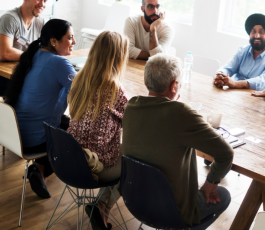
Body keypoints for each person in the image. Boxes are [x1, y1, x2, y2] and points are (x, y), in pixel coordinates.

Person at [122, 54, 234, 229]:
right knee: (223, 195)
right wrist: (210, 184)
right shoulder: (180, 113)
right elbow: (226, 154)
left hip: (134, 201)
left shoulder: (131, 106)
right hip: (171, 210)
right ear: (174, 86)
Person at [3, 19, 76, 198]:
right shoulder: (60, 63)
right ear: (53, 41)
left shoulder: (32, 55)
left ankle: (39, 170)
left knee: (65, 123)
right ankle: (39, 168)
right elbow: (82, 92)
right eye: (70, 37)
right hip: (35, 141)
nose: (73, 42)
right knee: (78, 133)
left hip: (14, 133)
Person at [67, 31, 129, 230]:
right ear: (118, 58)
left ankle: (100, 208)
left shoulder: (79, 80)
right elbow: (133, 123)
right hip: (95, 167)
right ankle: (102, 206)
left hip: (70, 158)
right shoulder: (114, 89)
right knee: (137, 160)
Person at [213, 13, 265, 91]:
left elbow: (264, 81)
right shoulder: (242, 51)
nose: (257, 36)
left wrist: (235, 84)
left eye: (261, 32)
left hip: (259, 98)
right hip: (235, 94)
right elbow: (228, 67)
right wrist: (220, 76)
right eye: (253, 31)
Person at [0, 0, 46, 95]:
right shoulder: (10, 18)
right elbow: (5, 53)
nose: (42, 4)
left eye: (45, 1)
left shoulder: (41, 22)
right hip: (4, 75)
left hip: (24, 71)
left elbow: (45, 51)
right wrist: (34, 55)